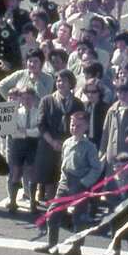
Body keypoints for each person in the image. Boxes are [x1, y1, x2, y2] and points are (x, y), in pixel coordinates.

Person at [35, 110, 104, 255]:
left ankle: (76, 248)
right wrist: (62, 180)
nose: (74, 128)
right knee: (53, 213)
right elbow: (64, 162)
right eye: (72, 125)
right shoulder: (67, 142)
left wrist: (85, 182)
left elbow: (97, 168)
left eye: (79, 125)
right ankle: (51, 244)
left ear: (86, 127)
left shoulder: (89, 147)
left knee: (78, 217)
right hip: (65, 182)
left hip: (80, 183)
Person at [34, 69, 83, 219]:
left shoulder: (77, 103)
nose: (60, 83)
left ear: (71, 84)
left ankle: (63, 209)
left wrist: (66, 143)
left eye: (64, 81)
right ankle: (52, 210)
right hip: (48, 144)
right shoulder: (46, 100)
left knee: (65, 177)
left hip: (69, 144)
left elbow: (81, 124)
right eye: (58, 80)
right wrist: (53, 142)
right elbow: (41, 125)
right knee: (49, 179)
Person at [6, 86, 40, 213]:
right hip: (18, 145)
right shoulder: (16, 113)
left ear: (33, 99)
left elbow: (38, 132)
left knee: (31, 172)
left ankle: (32, 202)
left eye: (29, 98)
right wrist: (29, 131)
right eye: (23, 98)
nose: (26, 101)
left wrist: (24, 131)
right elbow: (14, 132)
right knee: (17, 171)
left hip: (32, 145)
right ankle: (13, 202)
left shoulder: (37, 112)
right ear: (20, 99)